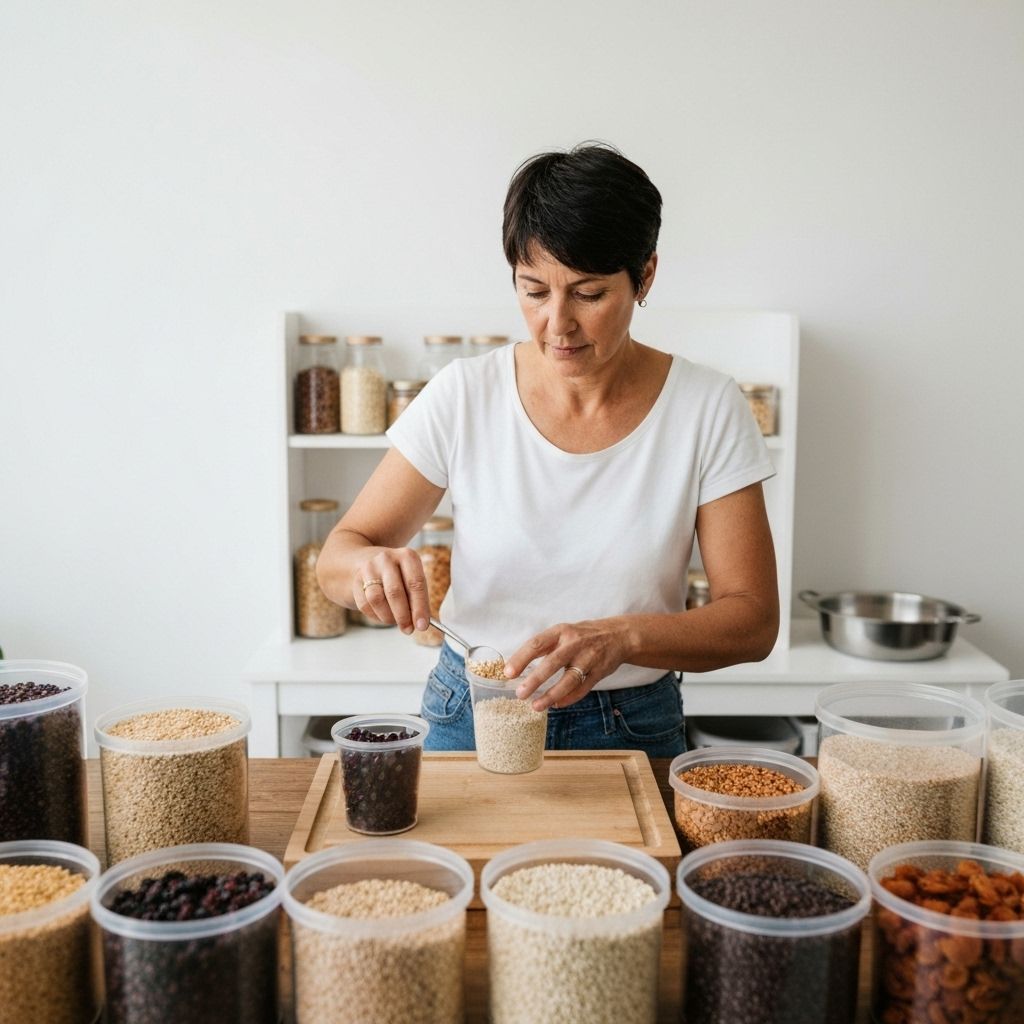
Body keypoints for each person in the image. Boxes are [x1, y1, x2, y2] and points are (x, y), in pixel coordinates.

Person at [316, 142, 778, 757]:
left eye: (587, 295)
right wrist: (367, 571)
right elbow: (336, 561)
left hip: (631, 722)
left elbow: (753, 620)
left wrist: (623, 638)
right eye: (534, 291)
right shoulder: (465, 393)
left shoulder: (708, 406)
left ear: (645, 276)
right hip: (473, 708)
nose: (557, 325)